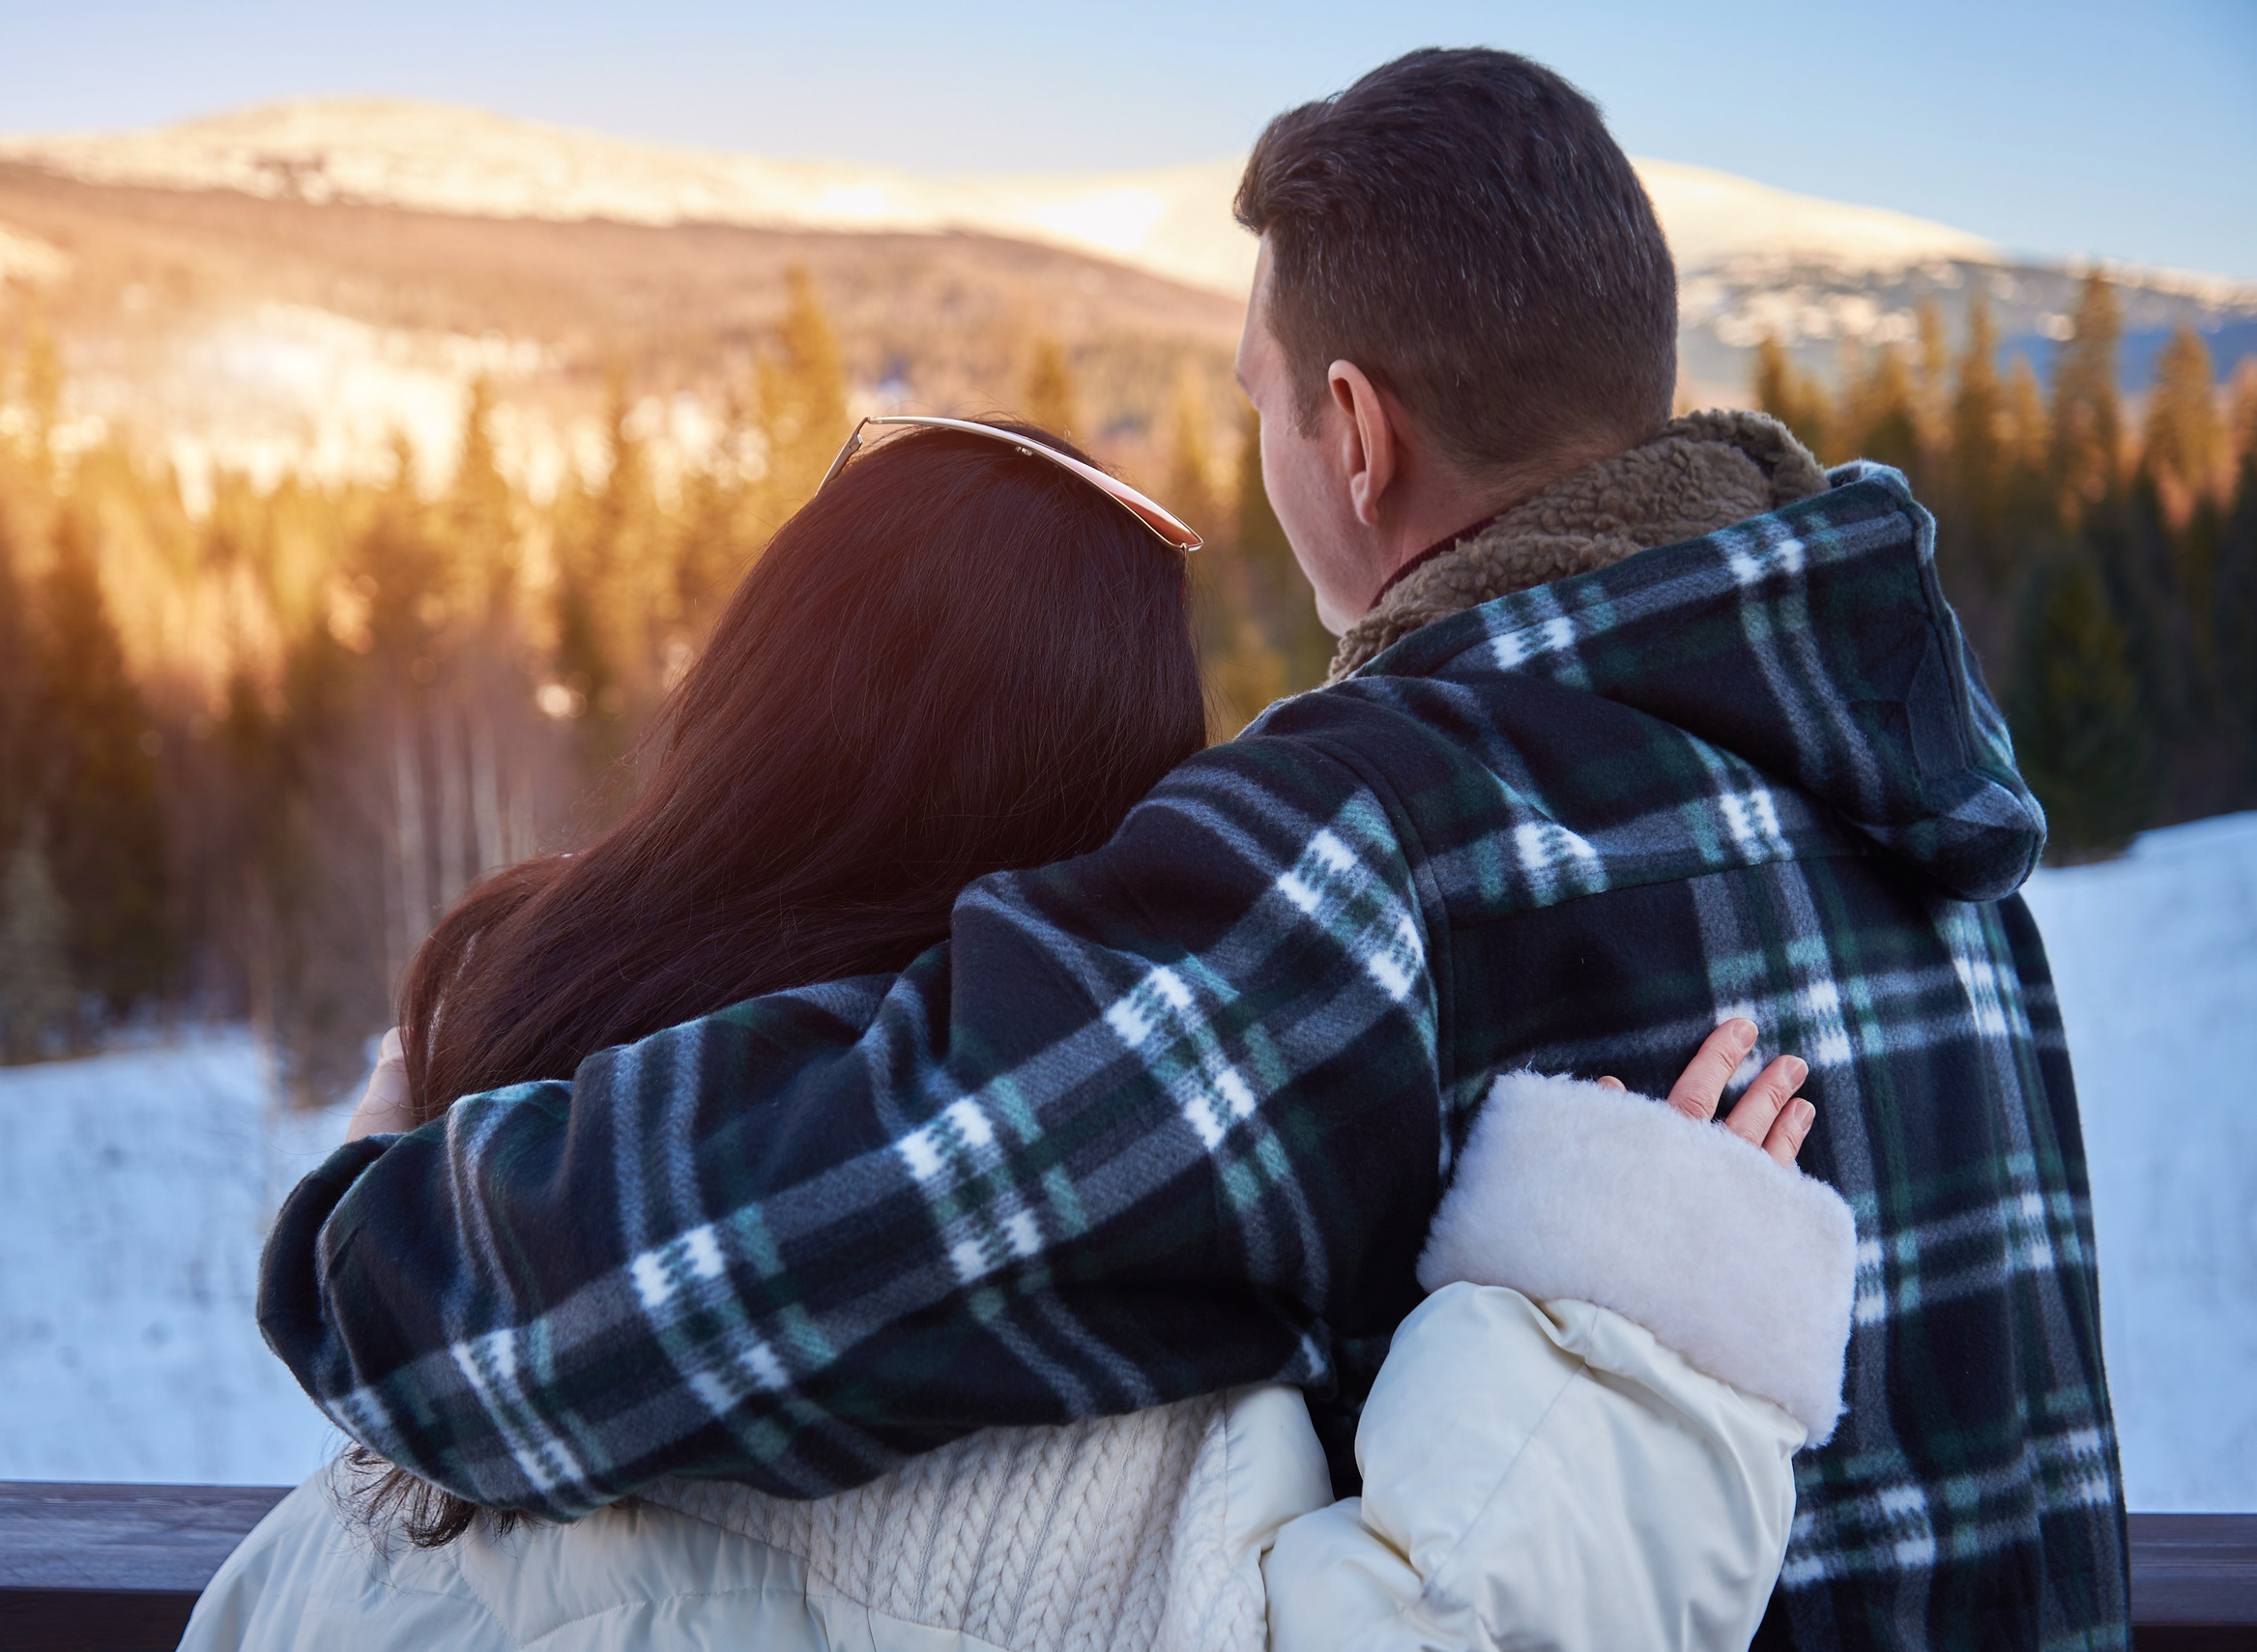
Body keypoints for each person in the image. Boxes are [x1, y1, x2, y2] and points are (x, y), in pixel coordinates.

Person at [257, 47, 2127, 1652]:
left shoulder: (1371, 838)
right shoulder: (1923, 828)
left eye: (1256, 399)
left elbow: (811, 1231)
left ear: (1354, 434)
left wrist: (379, 1234)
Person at [191, 416, 1857, 1652]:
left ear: (747, 713)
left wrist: (428, 1160)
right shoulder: (1126, 1421)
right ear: (1124, 801)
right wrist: (1625, 1356)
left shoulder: (437, 1344)